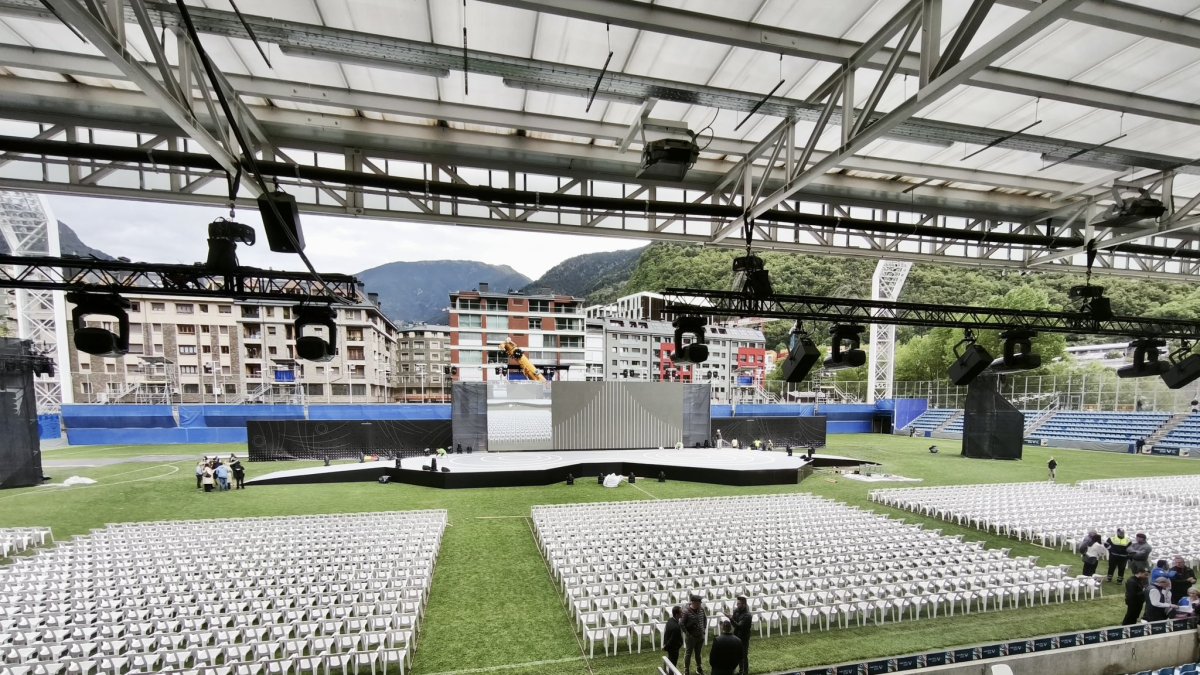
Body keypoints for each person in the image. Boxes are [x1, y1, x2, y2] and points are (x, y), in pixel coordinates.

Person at [681, 594, 707, 675]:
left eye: (700, 602)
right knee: (688, 653)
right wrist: (687, 633)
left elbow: (705, 619)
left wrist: (704, 629)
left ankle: (699, 668)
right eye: (698, 602)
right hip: (691, 637)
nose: (700, 604)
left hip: (700, 635)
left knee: (698, 653)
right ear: (693, 602)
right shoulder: (686, 611)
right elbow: (682, 623)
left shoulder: (701, 610)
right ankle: (686, 670)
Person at [729, 594, 752, 675]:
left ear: (744, 604)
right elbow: (734, 623)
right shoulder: (736, 611)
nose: (737, 605)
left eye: (739, 604)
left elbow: (739, 626)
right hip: (736, 636)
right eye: (737, 603)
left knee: (744, 656)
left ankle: (745, 672)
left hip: (744, 638)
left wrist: (731, 618)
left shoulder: (747, 615)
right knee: (738, 655)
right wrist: (731, 619)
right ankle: (740, 671)